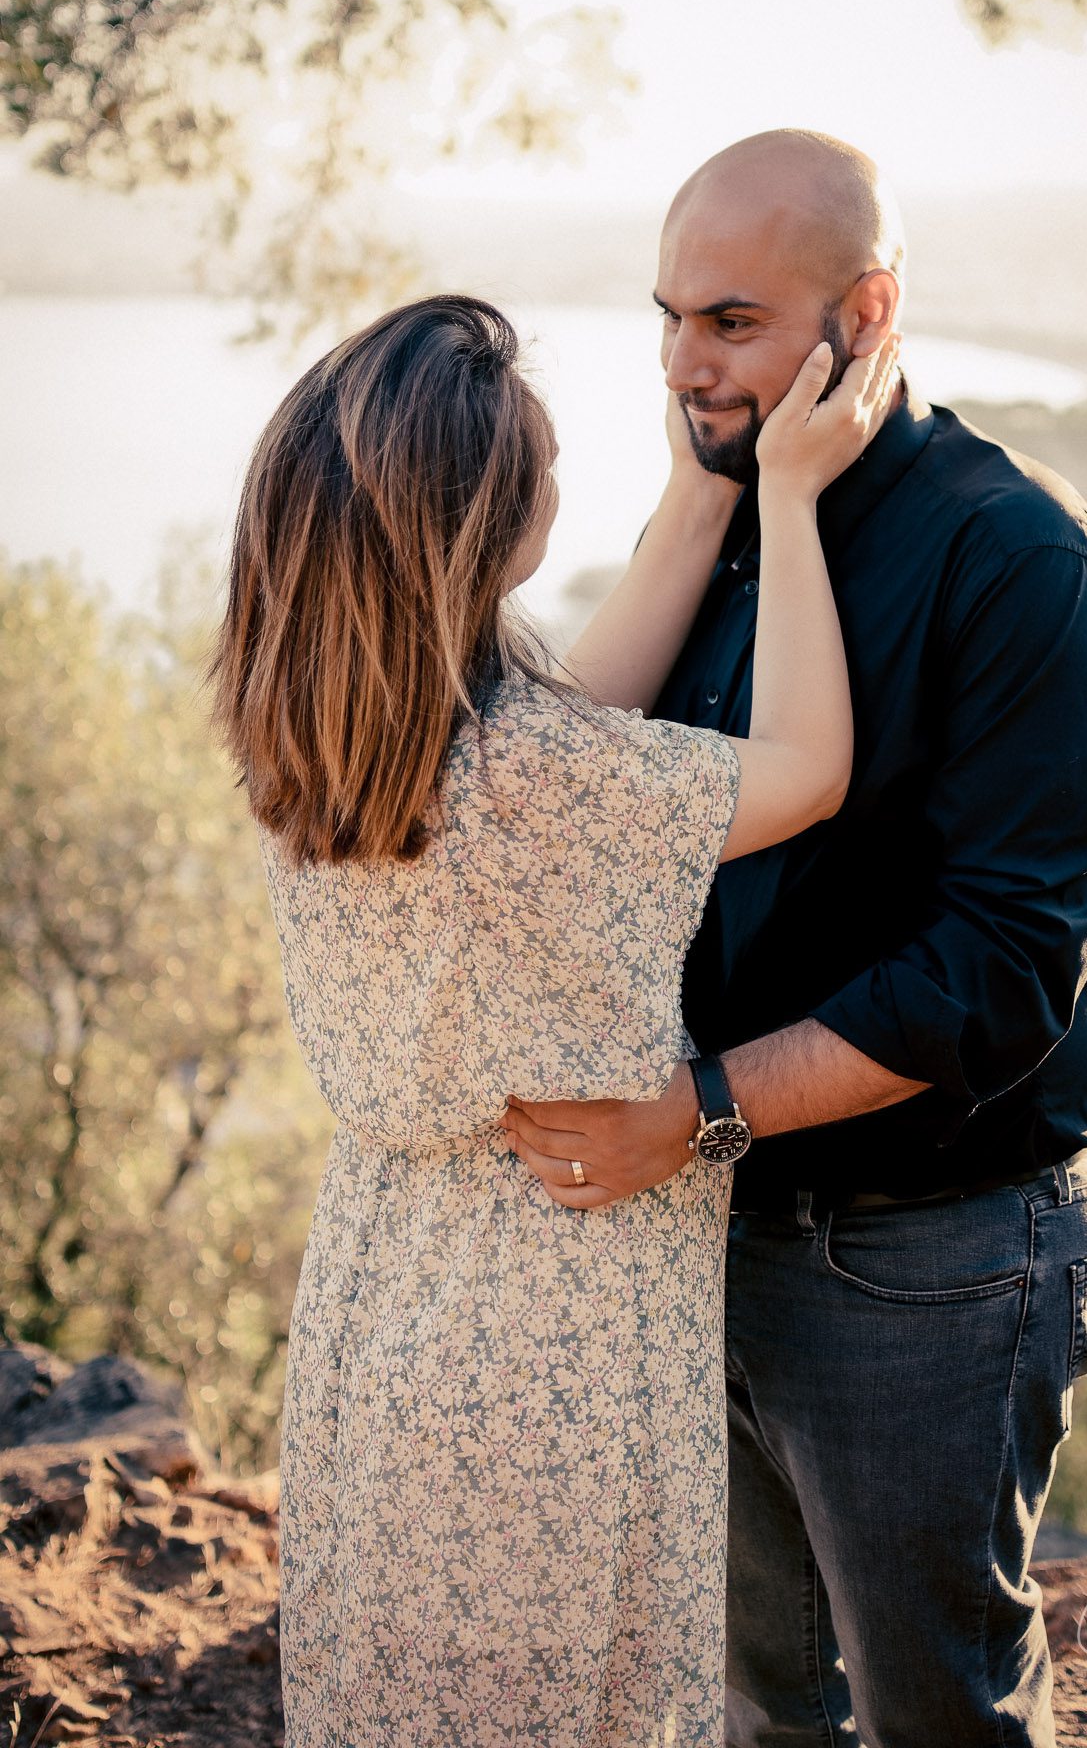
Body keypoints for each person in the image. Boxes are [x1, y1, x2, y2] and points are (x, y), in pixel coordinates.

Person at [505, 130, 1087, 1748]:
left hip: (927, 1257)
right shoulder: (730, 516)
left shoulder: (1022, 565)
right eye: (666, 316)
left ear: (864, 310)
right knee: (759, 1700)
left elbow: (993, 972)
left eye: (728, 321)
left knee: (931, 1711)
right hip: (712, 1223)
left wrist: (696, 1107)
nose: (682, 363)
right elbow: (574, 795)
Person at [206, 292, 901, 1747]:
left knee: (413, 1685)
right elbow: (805, 767)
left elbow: (572, 730)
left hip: (388, 1282)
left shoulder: (325, 733)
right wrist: (781, 493)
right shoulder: (542, 781)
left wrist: (689, 502)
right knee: (560, 1693)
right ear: (486, 529)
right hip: (549, 1306)